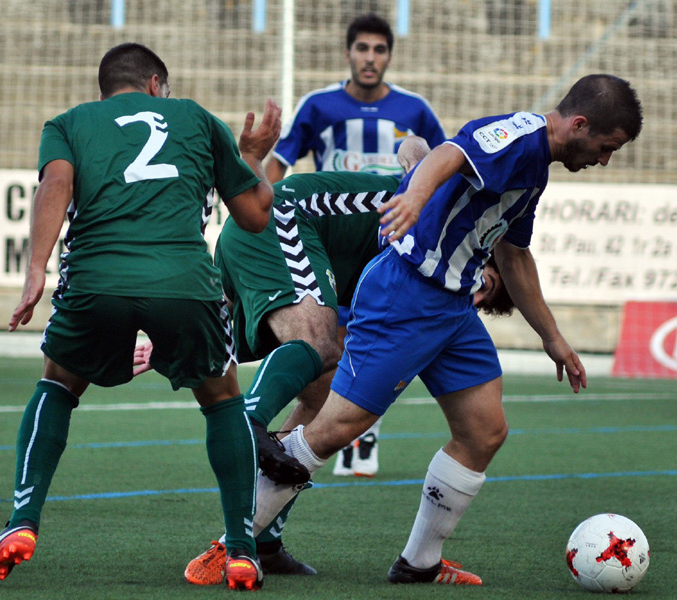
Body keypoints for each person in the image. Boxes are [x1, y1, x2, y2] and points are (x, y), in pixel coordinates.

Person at [248, 74, 643, 586]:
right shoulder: (518, 136)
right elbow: (450, 153)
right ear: (580, 124)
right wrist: (413, 198)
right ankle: (230, 542)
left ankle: (419, 562)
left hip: (453, 307)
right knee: (335, 429)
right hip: (407, 295)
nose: (604, 160)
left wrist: (553, 337)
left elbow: (514, 254)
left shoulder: (537, 167)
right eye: (606, 148)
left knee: (484, 431)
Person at [134, 138, 513, 586]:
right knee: (318, 344)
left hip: (301, 253)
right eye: (486, 284)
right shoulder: (443, 211)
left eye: (482, 298)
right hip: (286, 221)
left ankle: (266, 541)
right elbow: (414, 145)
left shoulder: (432, 274)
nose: (474, 293)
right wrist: (422, 166)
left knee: (322, 392)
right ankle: (248, 423)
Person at [0, 42, 281, 592]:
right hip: (184, 283)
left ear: (105, 91)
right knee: (222, 399)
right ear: (158, 84)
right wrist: (253, 155)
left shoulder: (69, 123)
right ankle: (240, 550)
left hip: (97, 281)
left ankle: (21, 521)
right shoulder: (196, 118)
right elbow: (255, 217)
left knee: (58, 385)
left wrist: (36, 269)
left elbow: (56, 185)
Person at [265, 12, 448, 477]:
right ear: (348, 53)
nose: (370, 58)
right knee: (330, 345)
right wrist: (258, 211)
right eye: (362, 49)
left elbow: (441, 172)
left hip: (391, 246)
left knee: (367, 346)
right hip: (333, 242)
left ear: (389, 55)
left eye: (379, 49)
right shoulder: (319, 105)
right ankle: (305, 435)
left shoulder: (415, 110)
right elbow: (280, 164)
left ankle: (349, 439)